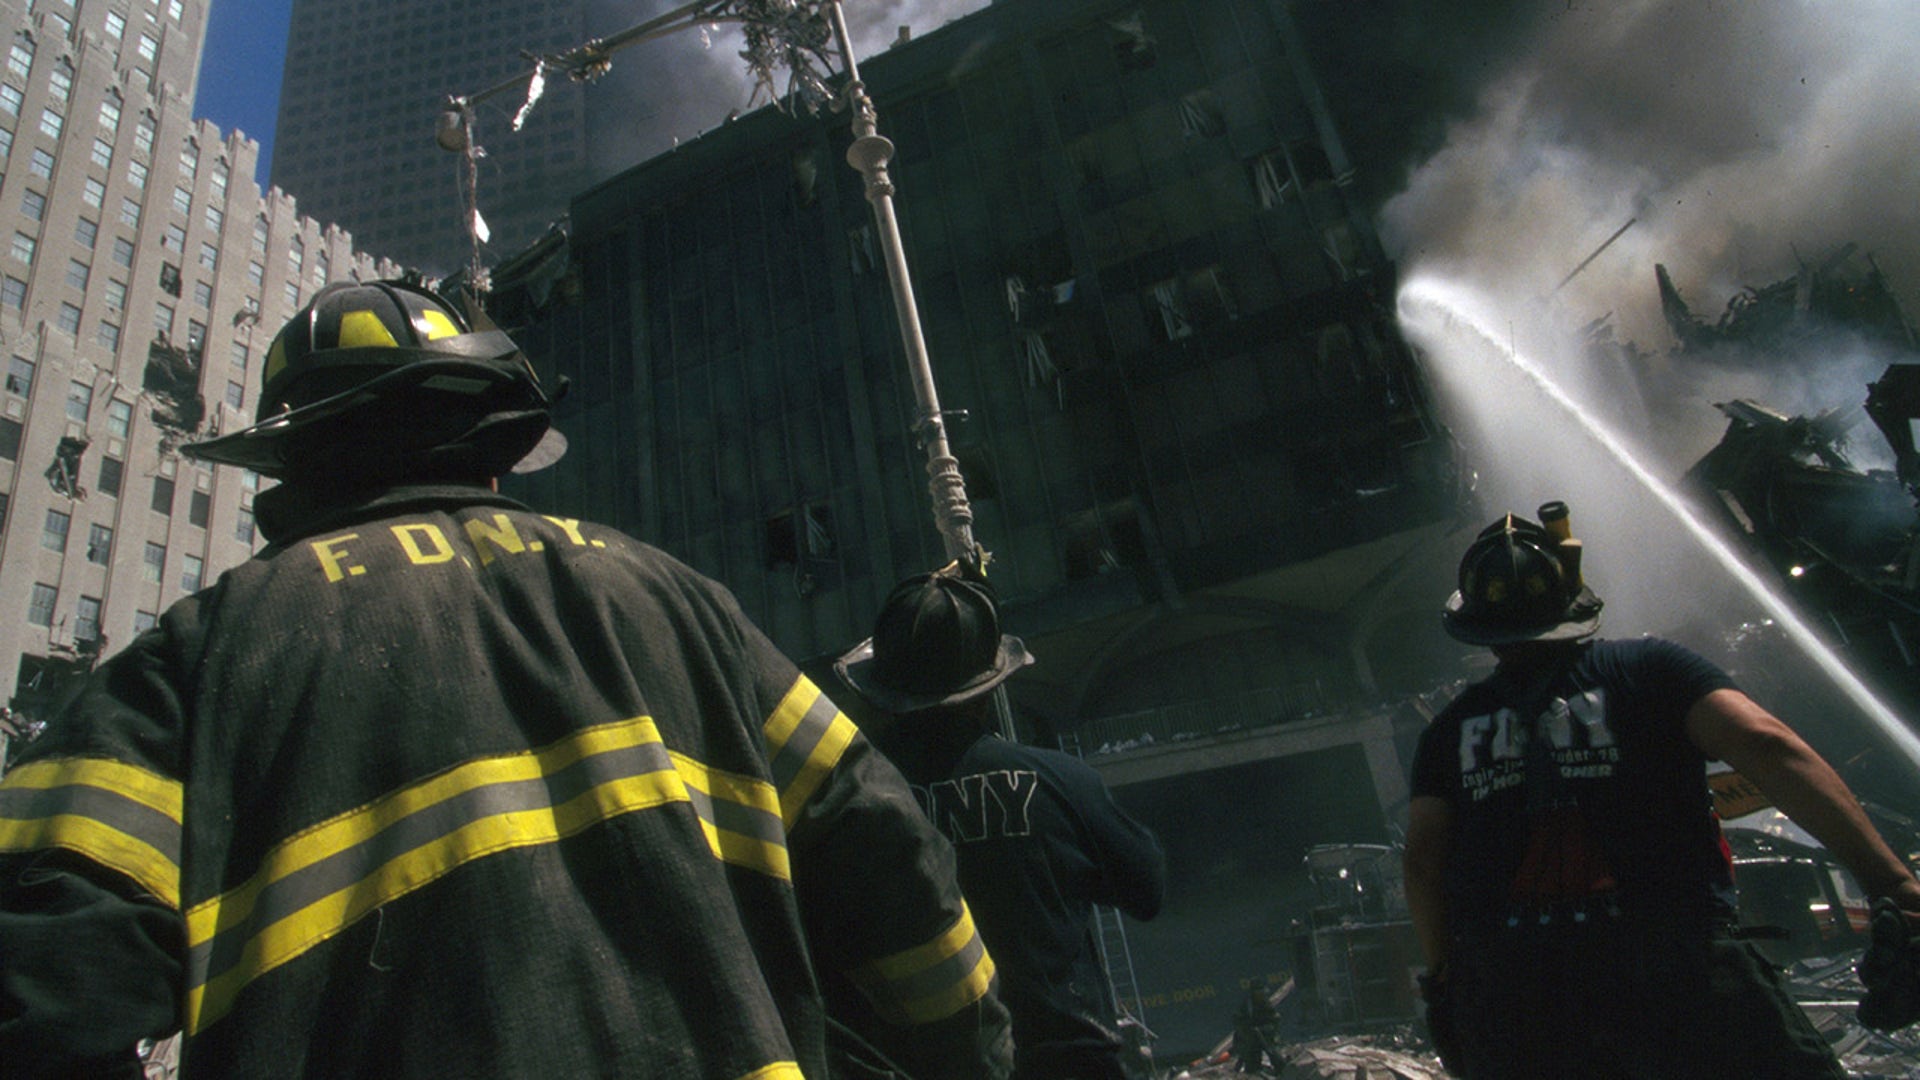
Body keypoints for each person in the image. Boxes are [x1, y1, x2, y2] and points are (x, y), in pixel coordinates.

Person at [0, 280, 1012, 1079]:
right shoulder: (673, 597)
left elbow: (40, 977)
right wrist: (968, 1063)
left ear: (294, 465)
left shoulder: (200, 658)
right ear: (495, 445)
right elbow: (883, 849)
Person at [1403, 503, 1920, 1079]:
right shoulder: (1652, 670)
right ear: (1572, 598)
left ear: (1476, 623)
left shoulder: (1448, 731)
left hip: (1519, 1002)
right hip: (1679, 974)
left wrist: (1446, 978)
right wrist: (1891, 883)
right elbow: (1766, 746)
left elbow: (1424, 863)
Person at [835, 564, 1166, 1080]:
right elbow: (1148, 888)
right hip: (1070, 1064)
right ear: (990, 686)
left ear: (878, 691)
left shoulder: (848, 806)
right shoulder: (1060, 782)